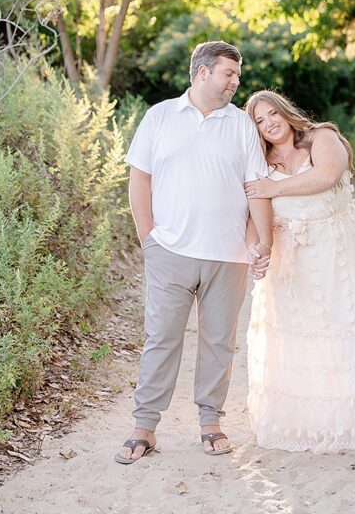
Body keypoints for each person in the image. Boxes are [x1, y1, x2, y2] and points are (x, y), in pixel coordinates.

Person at [115, 41, 273, 466]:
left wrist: (263, 242)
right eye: (229, 74)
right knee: (161, 338)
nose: (235, 83)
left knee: (219, 341)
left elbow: (256, 188)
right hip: (170, 251)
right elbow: (139, 182)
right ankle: (144, 427)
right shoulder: (159, 116)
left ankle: (210, 422)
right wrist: (148, 239)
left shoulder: (241, 125)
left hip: (229, 255)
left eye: (237, 76)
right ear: (203, 73)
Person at [244, 90, 355, 454]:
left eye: (273, 113)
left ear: (286, 112)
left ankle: (353, 424)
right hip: (289, 261)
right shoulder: (258, 160)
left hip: (337, 252)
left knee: (340, 327)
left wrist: (276, 187)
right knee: (298, 335)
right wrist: (258, 248)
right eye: (259, 119)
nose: (269, 122)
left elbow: (327, 176)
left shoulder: (322, 137)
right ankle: (307, 425)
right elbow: (255, 210)